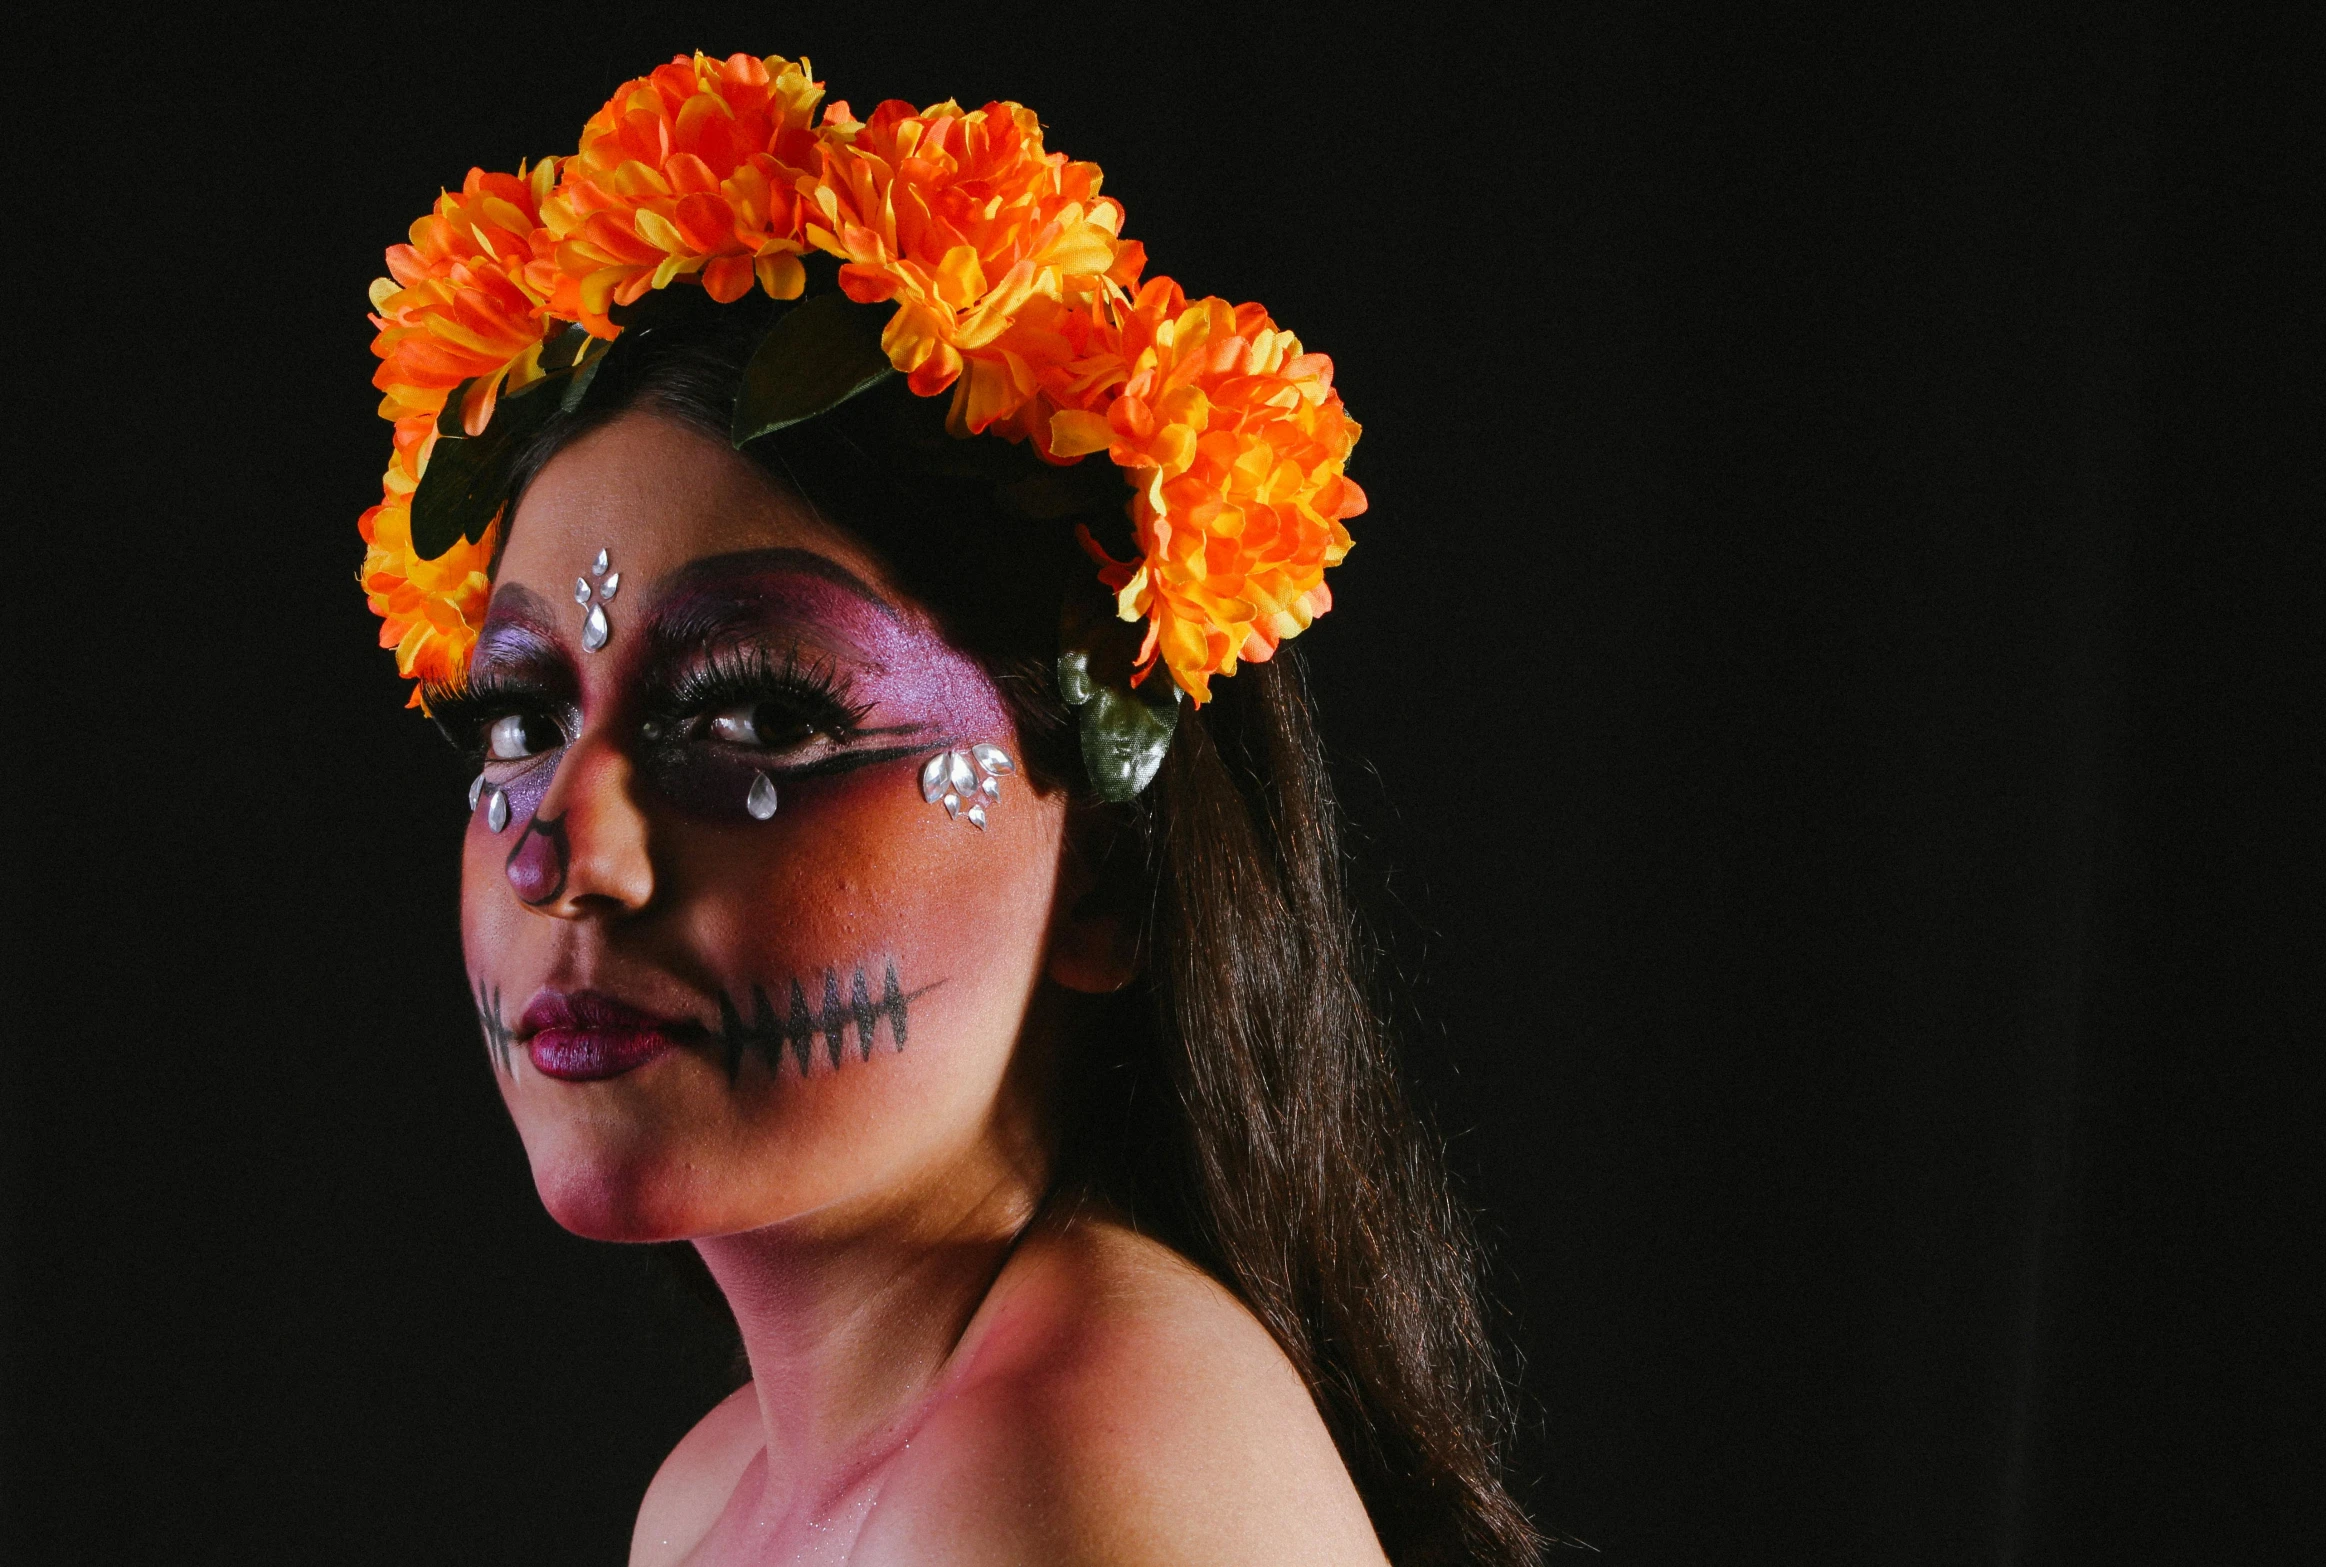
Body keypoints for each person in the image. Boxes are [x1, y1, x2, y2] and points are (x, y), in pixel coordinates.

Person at [356, 52, 1540, 1566]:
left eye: (761, 716)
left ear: (1106, 873)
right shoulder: (718, 1493)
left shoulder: (1060, 1462)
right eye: (520, 718)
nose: (559, 850)